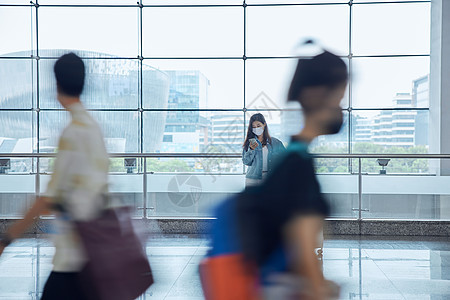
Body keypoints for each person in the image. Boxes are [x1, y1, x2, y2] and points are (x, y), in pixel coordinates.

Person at [236, 49, 348, 299]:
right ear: (314, 95)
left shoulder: (290, 153)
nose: (340, 108)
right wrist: (319, 288)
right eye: (338, 97)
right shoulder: (298, 162)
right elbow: (303, 244)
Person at [0, 53, 110, 300]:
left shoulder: (73, 134)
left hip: (73, 255)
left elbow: (47, 199)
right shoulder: (93, 127)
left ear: (57, 84)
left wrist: (7, 239)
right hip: (94, 251)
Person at [242, 113, 285, 187]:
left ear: (264, 124)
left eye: (258, 126)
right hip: (252, 179)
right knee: (252, 199)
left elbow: (285, 159)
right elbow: (246, 162)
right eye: (253, 127)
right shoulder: (250, 142)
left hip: (270, 179)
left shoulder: (275, 142)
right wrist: (251, 150)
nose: (256, 129)